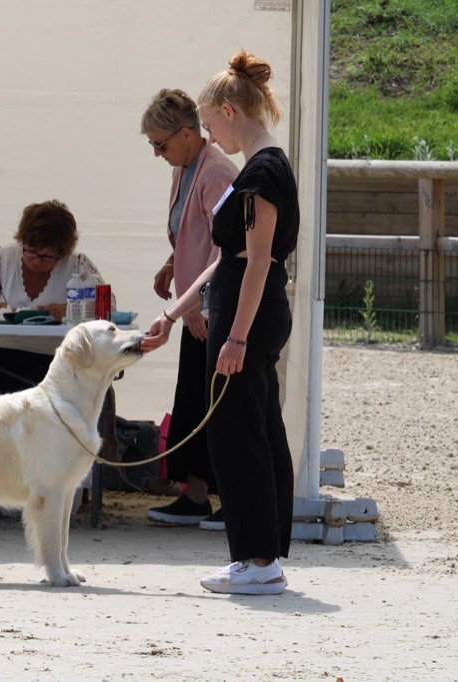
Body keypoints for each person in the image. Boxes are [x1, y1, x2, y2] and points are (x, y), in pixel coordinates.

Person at [141, 51, 300, 595]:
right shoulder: (258, 170)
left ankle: (258, 561)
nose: (211, 135)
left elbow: (257, 261)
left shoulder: (261, 171)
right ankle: (263, 555)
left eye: (210, 123)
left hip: (246, 316)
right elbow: (222, 255)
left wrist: (234, 334)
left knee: (240, 435)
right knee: (254, 429)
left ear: (230, 111)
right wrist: (172, 315)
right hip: (239, 308)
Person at [0, 199, 110, 517]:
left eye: (48, 255)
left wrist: (63, 311)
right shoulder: (1, 259)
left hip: (51, 357)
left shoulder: (78, 267)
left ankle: (58, 489)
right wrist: (9, 312)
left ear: (63, 250)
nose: (37, 260)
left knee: (72, 400)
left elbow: (104, 312)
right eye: (30, 250)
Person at [139, 89, 238, 529]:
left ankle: (231, 502)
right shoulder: (184, 167)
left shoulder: (216, 172)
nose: (157, 154)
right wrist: (169, 264)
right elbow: (189, 235)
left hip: (216, 307)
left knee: (220, 406)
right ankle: (196, 496)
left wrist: (195, 304)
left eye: (160, 144)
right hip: (194, 305)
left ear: (185, 133)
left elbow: (226, 249)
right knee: (193, 399)